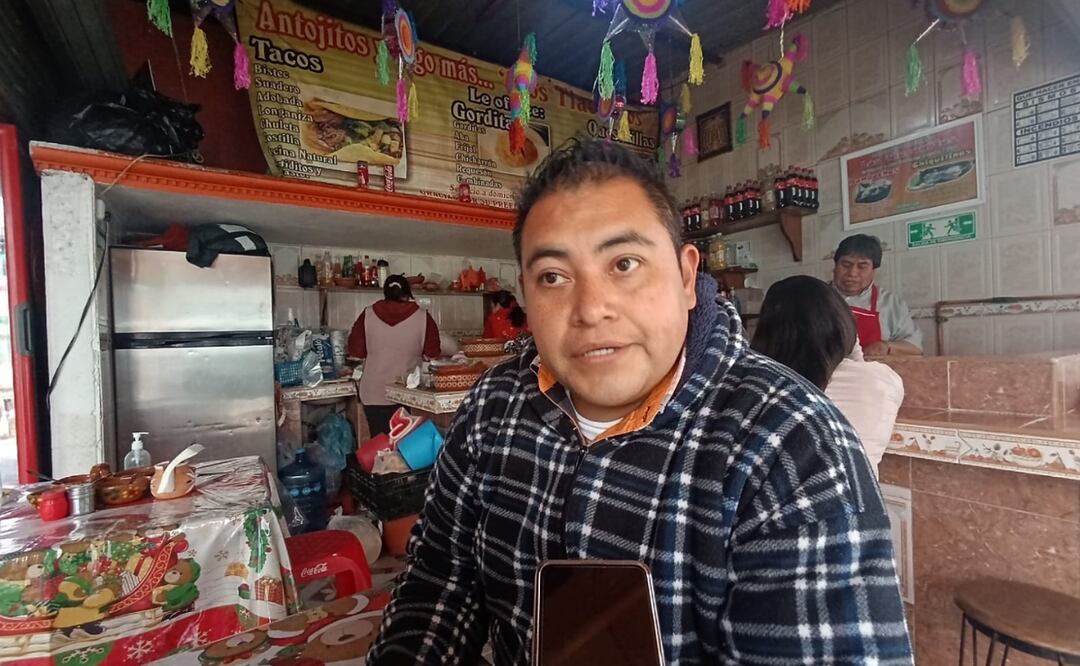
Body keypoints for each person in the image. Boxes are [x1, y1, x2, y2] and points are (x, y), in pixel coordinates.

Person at [368, 138, 911, 664]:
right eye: (553, 276)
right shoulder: (494, 405)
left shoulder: (792, 446)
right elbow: (439, 580)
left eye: (624, 263)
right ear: (526, 297)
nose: (591, 309)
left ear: (686, 274)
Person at [752, 275, 905, 474]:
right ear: (843, 323)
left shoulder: (759, 386)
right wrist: (846, 336)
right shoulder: (882, 380)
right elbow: (851, 366)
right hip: (859, 501)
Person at [347, 275, 441, 437]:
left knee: (381, 444)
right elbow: (432, 353)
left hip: (373, 393)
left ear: (385, 294)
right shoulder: (423, 317)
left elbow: (355, 351)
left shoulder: (367, 314)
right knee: (406, 448)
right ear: (407, 294)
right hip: (408, 396)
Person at [832, 234, 923, 356]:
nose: (852, 273)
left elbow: (916, 348)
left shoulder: (891, 304)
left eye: (862, 267)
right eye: (846, 265)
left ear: (873, 271)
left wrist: (886, 347)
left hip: (870, 373)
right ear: (835, 266)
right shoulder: (813, 297)